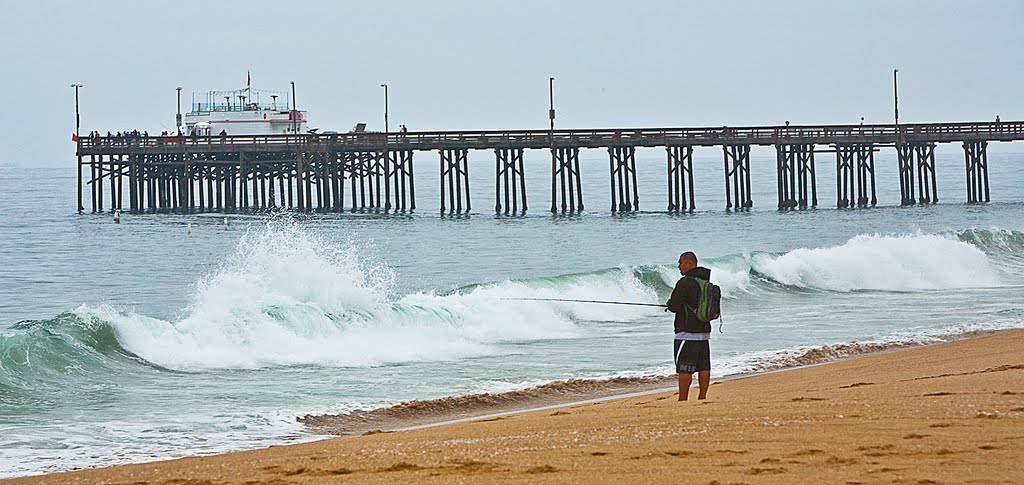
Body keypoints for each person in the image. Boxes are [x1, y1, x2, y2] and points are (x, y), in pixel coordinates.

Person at [665, 251, 713, 401]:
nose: (679, 266)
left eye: (680, 263)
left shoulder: (684, 282)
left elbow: (674, 305)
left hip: (686, 332)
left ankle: (683, 399)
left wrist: (669, 304)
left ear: (689, 264)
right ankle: (702, 396)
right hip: (704, 332)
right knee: (704, 366)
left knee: (684, 368)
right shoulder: (705, 282)